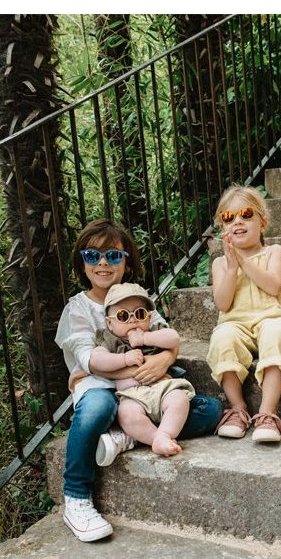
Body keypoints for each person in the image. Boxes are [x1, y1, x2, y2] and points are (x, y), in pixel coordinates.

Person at [54, 219, 222, 542]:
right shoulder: (78, 309)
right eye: (93, 255)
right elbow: (91, 362)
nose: (103, 263)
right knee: (98, 409)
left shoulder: (138, 300)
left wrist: (165, 360)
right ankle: (76, 496)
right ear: (82, 263)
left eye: (113, 255)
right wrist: (136, 365)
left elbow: (168, 339)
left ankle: (127, 437)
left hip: (147, 390)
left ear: (127, 262)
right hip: (101, 388)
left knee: (208, 409)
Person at [206, 185, 281, 443]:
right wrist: (231, 268)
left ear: (263, 222)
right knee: (222, 339)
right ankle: (238, 409)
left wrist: (243, 262)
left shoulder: (273, 252)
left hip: (273, 318)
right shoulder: (220, 263)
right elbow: (223, 304)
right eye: (229, 217)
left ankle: (267, 413)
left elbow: (273, 286)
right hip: (236, 323)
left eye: (246, 214)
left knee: (275, 334)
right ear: (223, 228)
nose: (238, 221)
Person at [90, 282, 195, 458]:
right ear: (110, 323)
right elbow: (96, 361)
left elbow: (174, 338)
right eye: (123, 315)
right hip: (132, 395)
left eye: (140, 313)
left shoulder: (154, 332)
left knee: (179, 400)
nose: (133, 320)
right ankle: (156, 439)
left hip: (162, 388)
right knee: (126, 415)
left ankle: (164, 434)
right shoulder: (110, 340)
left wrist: (145, 337)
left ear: (149, 317)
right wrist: (124, 359)